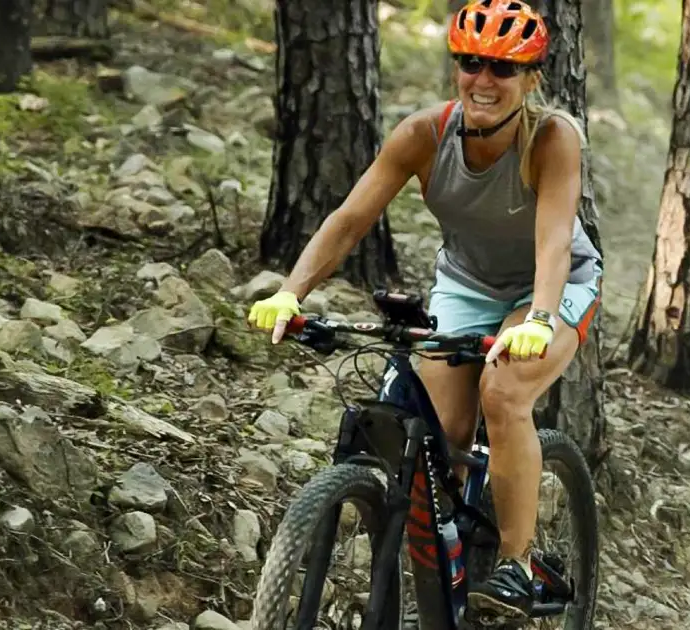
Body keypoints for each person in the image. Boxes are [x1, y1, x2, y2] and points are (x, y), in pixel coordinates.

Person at [246, 0, 603, 620]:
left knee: (504, 392)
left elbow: (551, 241)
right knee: (440, 433)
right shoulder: (423, 134)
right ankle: (452, 565)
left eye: (503, 68)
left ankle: (517, 563)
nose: (483, 80)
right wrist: (289, 292)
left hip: (553, 285)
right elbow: (351, 218)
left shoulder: (552, 137)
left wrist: (541, 318)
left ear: (532, 79)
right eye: (470, 63)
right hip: (467, 284)